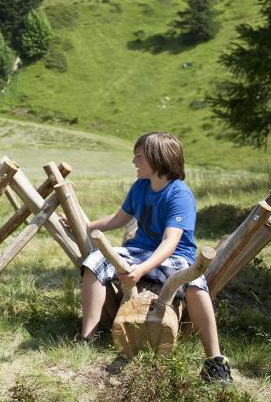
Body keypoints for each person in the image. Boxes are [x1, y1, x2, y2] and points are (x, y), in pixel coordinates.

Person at [76, 131, 232, 384]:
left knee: (194, 284)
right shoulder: (140, 187)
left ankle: (215, 361)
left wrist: (140, 270)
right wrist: (87, 225)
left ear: (158, 159)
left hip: (173, 256)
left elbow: (170, 243)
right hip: (138, 250)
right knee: (94, 262)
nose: (134, 162)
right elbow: (119, 219)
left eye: (139, 156)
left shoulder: (179, 194)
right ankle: (88, 336)